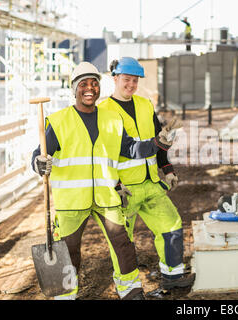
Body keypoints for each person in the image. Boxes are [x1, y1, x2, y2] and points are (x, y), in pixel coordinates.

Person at [31, 61, 177, 300]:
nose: (90, 88)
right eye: (84, 84)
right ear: (75, 89)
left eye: (94, 83)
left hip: (106, 196)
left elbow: (131, 149)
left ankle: (130, 290)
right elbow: (40, 154)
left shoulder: (111, 119)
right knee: (69, 252)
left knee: (123, 244)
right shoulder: (59, 121)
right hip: (71, 201)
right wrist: (38, 163)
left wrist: (157, 143)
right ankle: (65, 296)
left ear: (99, 87)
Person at [98, 57, 195, 290]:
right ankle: (128, 288)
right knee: (121, 242)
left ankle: (173, 277)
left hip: (151, 184)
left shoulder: (144, 105)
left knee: (171, 226)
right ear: (115, 79)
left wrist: (167, 169)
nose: (130, 85)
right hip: (123, 189)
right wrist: (157, 142)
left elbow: (159, 142)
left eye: (135, 80)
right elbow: (125, 148)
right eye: (126, 79)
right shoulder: (104, 111)